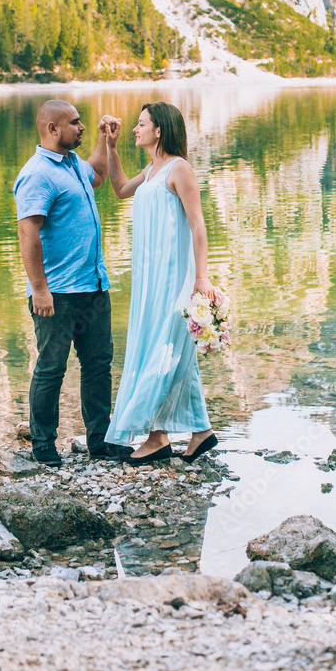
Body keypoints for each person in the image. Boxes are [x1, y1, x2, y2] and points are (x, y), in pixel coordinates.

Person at [13, 99, 132, 466]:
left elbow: (97, 175)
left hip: (93, 286)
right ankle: (44, 444)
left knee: (98, 365)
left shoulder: (71, 165)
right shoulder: (37, 173)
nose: (81, 127)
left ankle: (100, 440)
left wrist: (105, 141)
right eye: (75, 123)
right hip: (58, 293)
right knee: (51, 367)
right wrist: (39, 289)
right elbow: (27, 233)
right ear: (52, 129)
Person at [103, 102, 219, 465]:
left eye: (141, 124)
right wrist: (111, 147)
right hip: (149, 277)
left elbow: (198, 225)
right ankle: (200, 432)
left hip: (173, 276)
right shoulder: (152, 170)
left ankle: (156, 436)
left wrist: (201, 277)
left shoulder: (178, 168)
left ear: (159, 130)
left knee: (162, 346)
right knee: (172, 349)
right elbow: (121, 189)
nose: (135, 129)